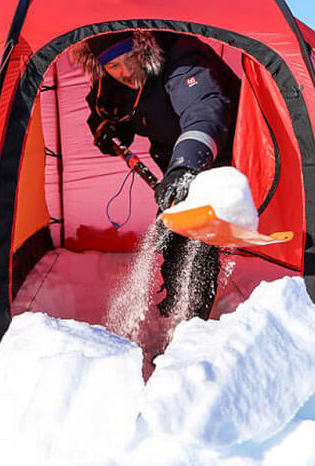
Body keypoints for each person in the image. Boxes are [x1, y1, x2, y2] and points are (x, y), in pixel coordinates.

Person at [70, 29, 240, 321]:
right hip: (174, 161)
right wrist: (106, 130)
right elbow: (109, 109)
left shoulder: (182, 59)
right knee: (173, 232)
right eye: (113, 66)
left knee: (198, 238)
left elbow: (204, 109)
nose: (125, 71)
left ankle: (191, 323)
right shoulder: (117, 78)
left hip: (214, 151)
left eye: (130, 58)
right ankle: (175, 305)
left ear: (144, 51)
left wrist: (187, 166)